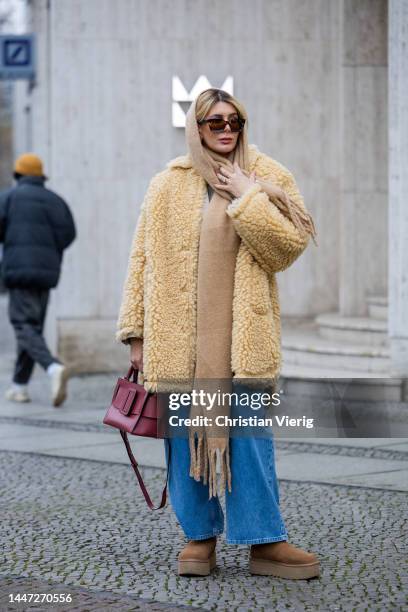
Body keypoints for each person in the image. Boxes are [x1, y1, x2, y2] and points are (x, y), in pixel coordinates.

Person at [115, 89, 320, 580]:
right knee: (185, 440)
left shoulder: (270, 176)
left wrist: (249, 194)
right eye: (214, 122)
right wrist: (137, 336)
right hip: (178, 339)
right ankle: (198, 540)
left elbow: (286, 249)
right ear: (196, 127)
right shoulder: (168, 182)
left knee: (248, 440)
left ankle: (264, 542)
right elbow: (141, 258)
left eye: (235, 120)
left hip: (241, 338)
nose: (226, 129)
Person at [0, 153, 76, 406]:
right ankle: (19, 386)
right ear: (41, 176)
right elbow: (68, 234)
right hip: (46, 274)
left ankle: (53, 367)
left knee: (23, 326)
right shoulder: (55, 201)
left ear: (18, 175)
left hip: (18, 272)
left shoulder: (9, 198)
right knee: (32, 329)